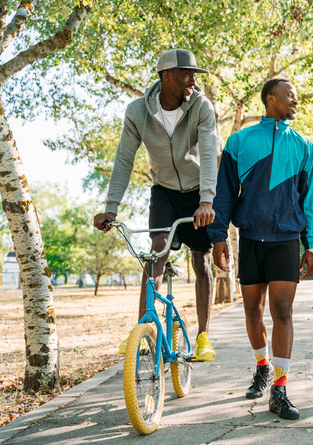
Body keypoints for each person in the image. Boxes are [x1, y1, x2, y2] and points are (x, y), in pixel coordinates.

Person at [93, 49, 219, 362]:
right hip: (163, 190)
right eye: (185, 74)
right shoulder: (137, 111)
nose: (192, 80)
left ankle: (203, 335)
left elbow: (208, 153)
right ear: (165, 76)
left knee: (202, 262)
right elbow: (124, 158)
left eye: (194, 74)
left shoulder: (202, 106)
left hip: (196, 194)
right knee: (156, 250)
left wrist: (206, 200)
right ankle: (144, 327)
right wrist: (111, 207)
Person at [209, 78, 313, 420]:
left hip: (286, 239)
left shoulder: (304, 146)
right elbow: (225, 194)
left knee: (283, 312)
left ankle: (280, 389)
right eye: (290, 95)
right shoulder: (240, 141)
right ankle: (263, 367)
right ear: (270, 99)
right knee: (253, 313)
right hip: (251, 240)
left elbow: (311, 197)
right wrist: (218, 237)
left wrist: (311, 243)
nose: (296, 101)